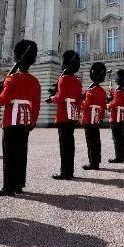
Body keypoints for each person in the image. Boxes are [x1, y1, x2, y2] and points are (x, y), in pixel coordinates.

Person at [0, 40, 40, 196]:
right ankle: (19, 184)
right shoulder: (34, 81)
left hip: (12, 120)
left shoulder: (12, 79)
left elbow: (3, 99)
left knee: (10, 154)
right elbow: (36, 105)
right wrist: (33, 121)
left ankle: (8, 186)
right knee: (21, 152)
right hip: (26, 121)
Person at [46, 50, 82, 180]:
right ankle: (69, 170)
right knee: (69, 143)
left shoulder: (63, 79)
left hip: (63, 114)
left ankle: (65, 172)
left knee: (64, 144)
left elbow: (61, 97)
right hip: (72, 114)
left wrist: (51, 98)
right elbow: (78, 98)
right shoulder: (77, 81)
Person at [81, 62, 107, 170]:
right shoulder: (102, 91)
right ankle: (97, 161)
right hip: (97, 118)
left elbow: (85, 106)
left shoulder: (90, 91)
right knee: (96, 140)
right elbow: (103, 106)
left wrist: (80, 100)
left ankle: (93, 163)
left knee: (90, 141)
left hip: (89, 118)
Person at [107, 69, 124, 163]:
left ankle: (119, 157)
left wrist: (107, 105)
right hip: (122, 117)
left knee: (116, 138)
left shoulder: (118, 92)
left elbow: (115, 103)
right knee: (121, 136)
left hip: (116, 116)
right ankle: (123, 152)